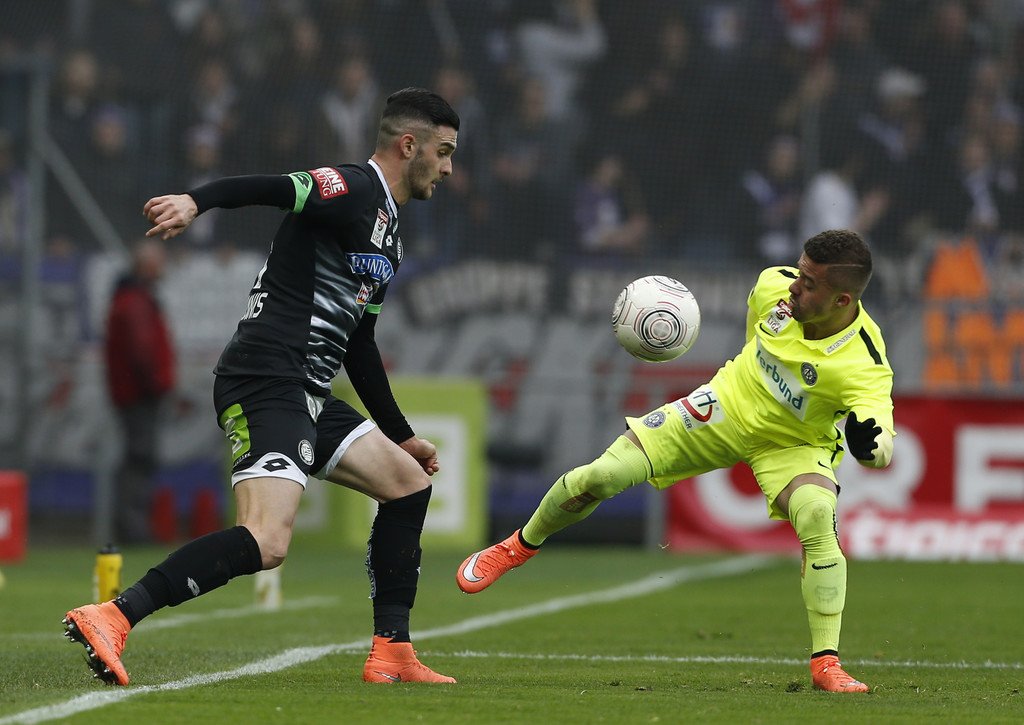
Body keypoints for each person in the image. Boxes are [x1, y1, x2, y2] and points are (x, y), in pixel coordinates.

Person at [63, 88, 460, 686]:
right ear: (410, 146)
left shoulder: (389, 234)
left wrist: (401, 436)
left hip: (307, 389)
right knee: (268, 540)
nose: (449, 168)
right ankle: (114, 615)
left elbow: (359, 344)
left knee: (407, 485)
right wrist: (195, 202)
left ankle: (393, 652)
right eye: (444, 152)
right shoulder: (353, 187)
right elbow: (273, 187)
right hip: (267, 378)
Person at [457, 229, 894, 694]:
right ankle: (517, 547)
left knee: (818, 514)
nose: (793, 286)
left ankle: (826, 663)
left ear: (842, 299)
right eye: (799, 272)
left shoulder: (863, 362)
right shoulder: (772, 286)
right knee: (603, 475)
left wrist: (869, 447)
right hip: (724, 407)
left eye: (808, 283)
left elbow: (881, 442)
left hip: (793, 445)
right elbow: (756, 337)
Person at [103, 237, 176, 544]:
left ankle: (132, 525)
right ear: (147, 265)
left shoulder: (133, 298)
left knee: (138, 457)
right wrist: (157, 384)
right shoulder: (136, 301)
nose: (164, 267)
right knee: (140, 458)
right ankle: (133, 529)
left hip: (134, 393)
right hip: (140, 395)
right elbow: (142, 351)